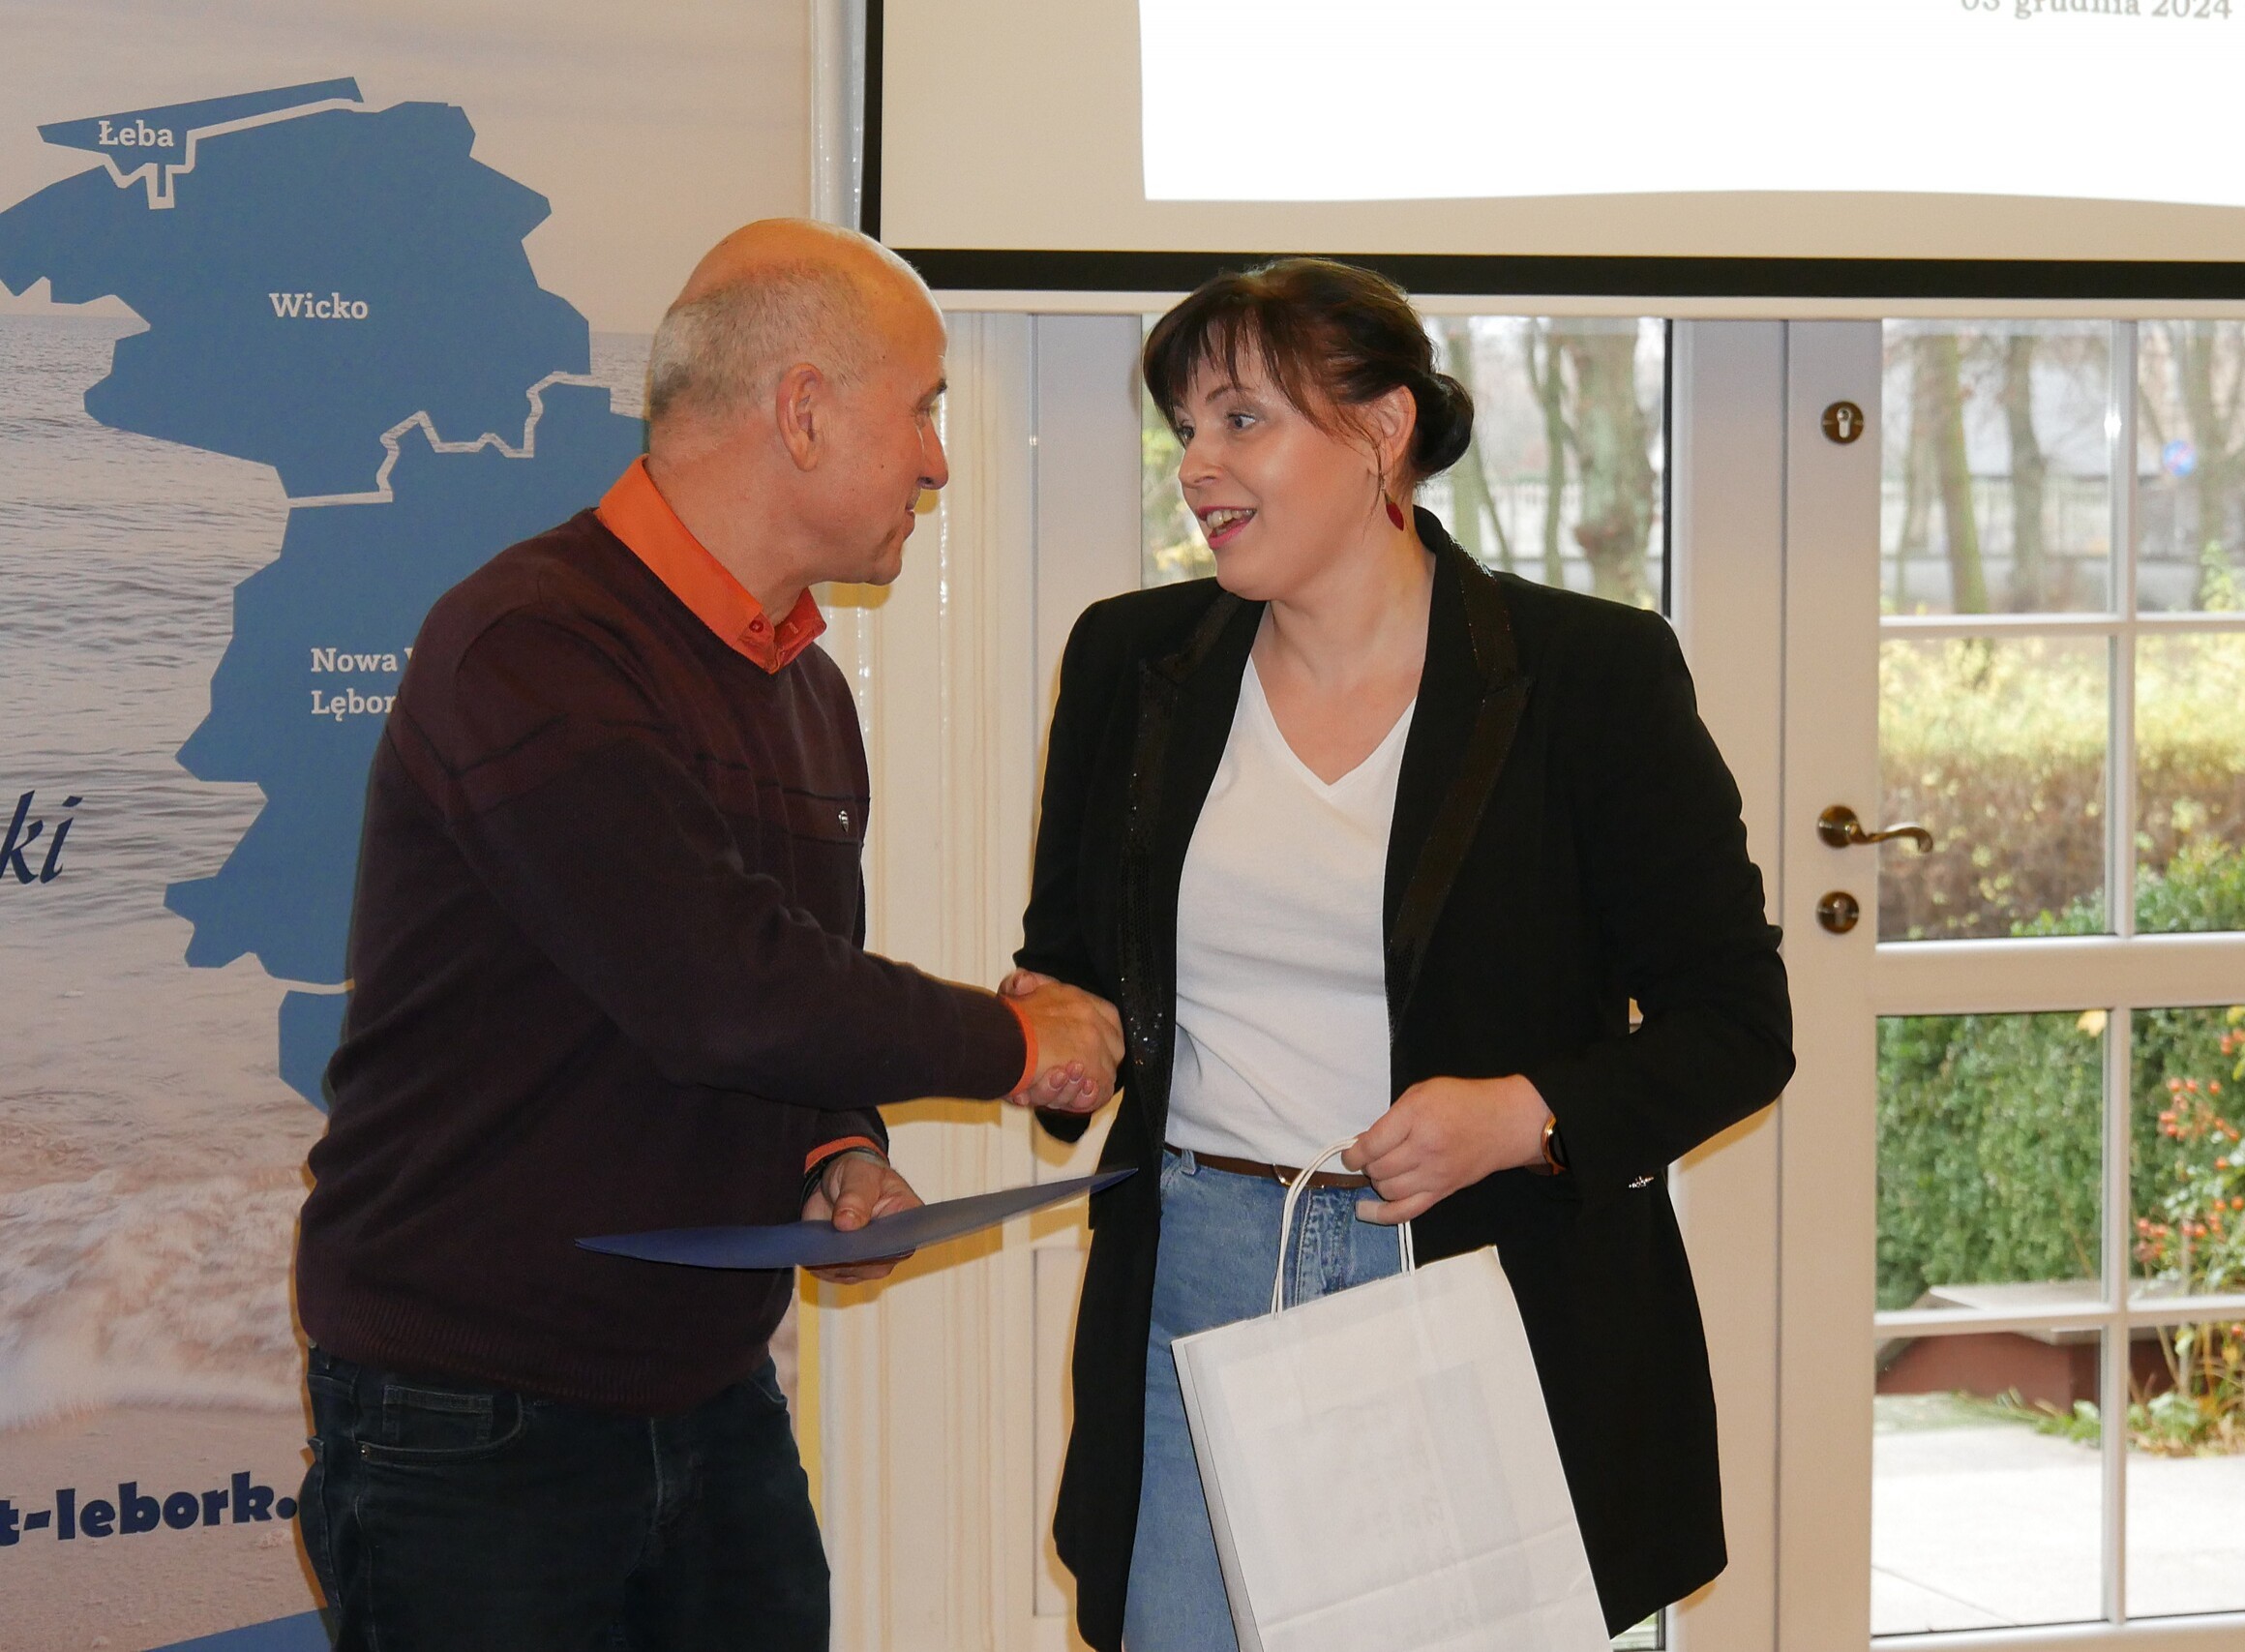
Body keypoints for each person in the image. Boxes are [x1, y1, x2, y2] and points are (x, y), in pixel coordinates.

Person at [290, 220, 1122, 1652]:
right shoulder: (533, 644)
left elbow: (783, 1006)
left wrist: (837, 1151)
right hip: (478, 1419)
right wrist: (1014, 1039)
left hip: (710, 1394)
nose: (938, 459)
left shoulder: (806, 689)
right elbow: (720, 991)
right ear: (802, 412)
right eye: (922, 408)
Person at [1008, 258, 1795, 1650]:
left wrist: (1526, 1117)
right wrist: (1055, 1039)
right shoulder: (1131, 661)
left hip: (1481, 1278)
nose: (1196, 465)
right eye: (1184, 427)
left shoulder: (1589, 675)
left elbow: (1737, 1021)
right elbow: (1070, 962)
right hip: (1199, 1263)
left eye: (1242, 419)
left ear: (1382, 430)